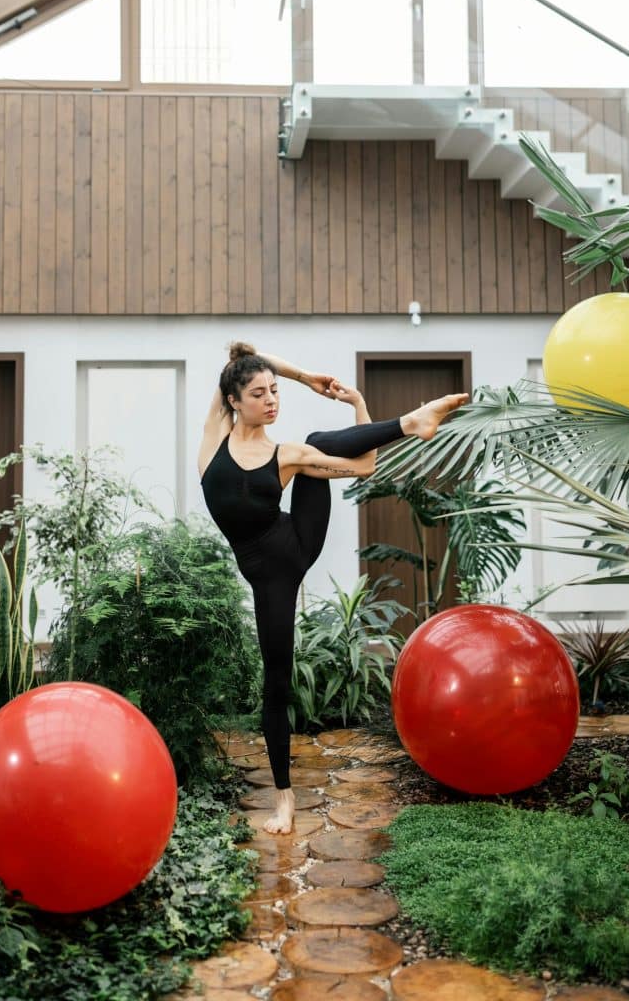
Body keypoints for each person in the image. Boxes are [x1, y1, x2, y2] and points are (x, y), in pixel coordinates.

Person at [198, 343, 468, 835]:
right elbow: (239, 348)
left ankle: (412, 422)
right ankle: (284, 797)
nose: (272, 398)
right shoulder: (214, 434)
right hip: (261, 567)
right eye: (260, 392)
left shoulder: (289, 455)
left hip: (292, 550)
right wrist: (303, 376)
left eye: (276, 390)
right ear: (233, 400)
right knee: (276, 680)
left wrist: (358, 405)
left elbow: (365, 467)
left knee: (319, 437)